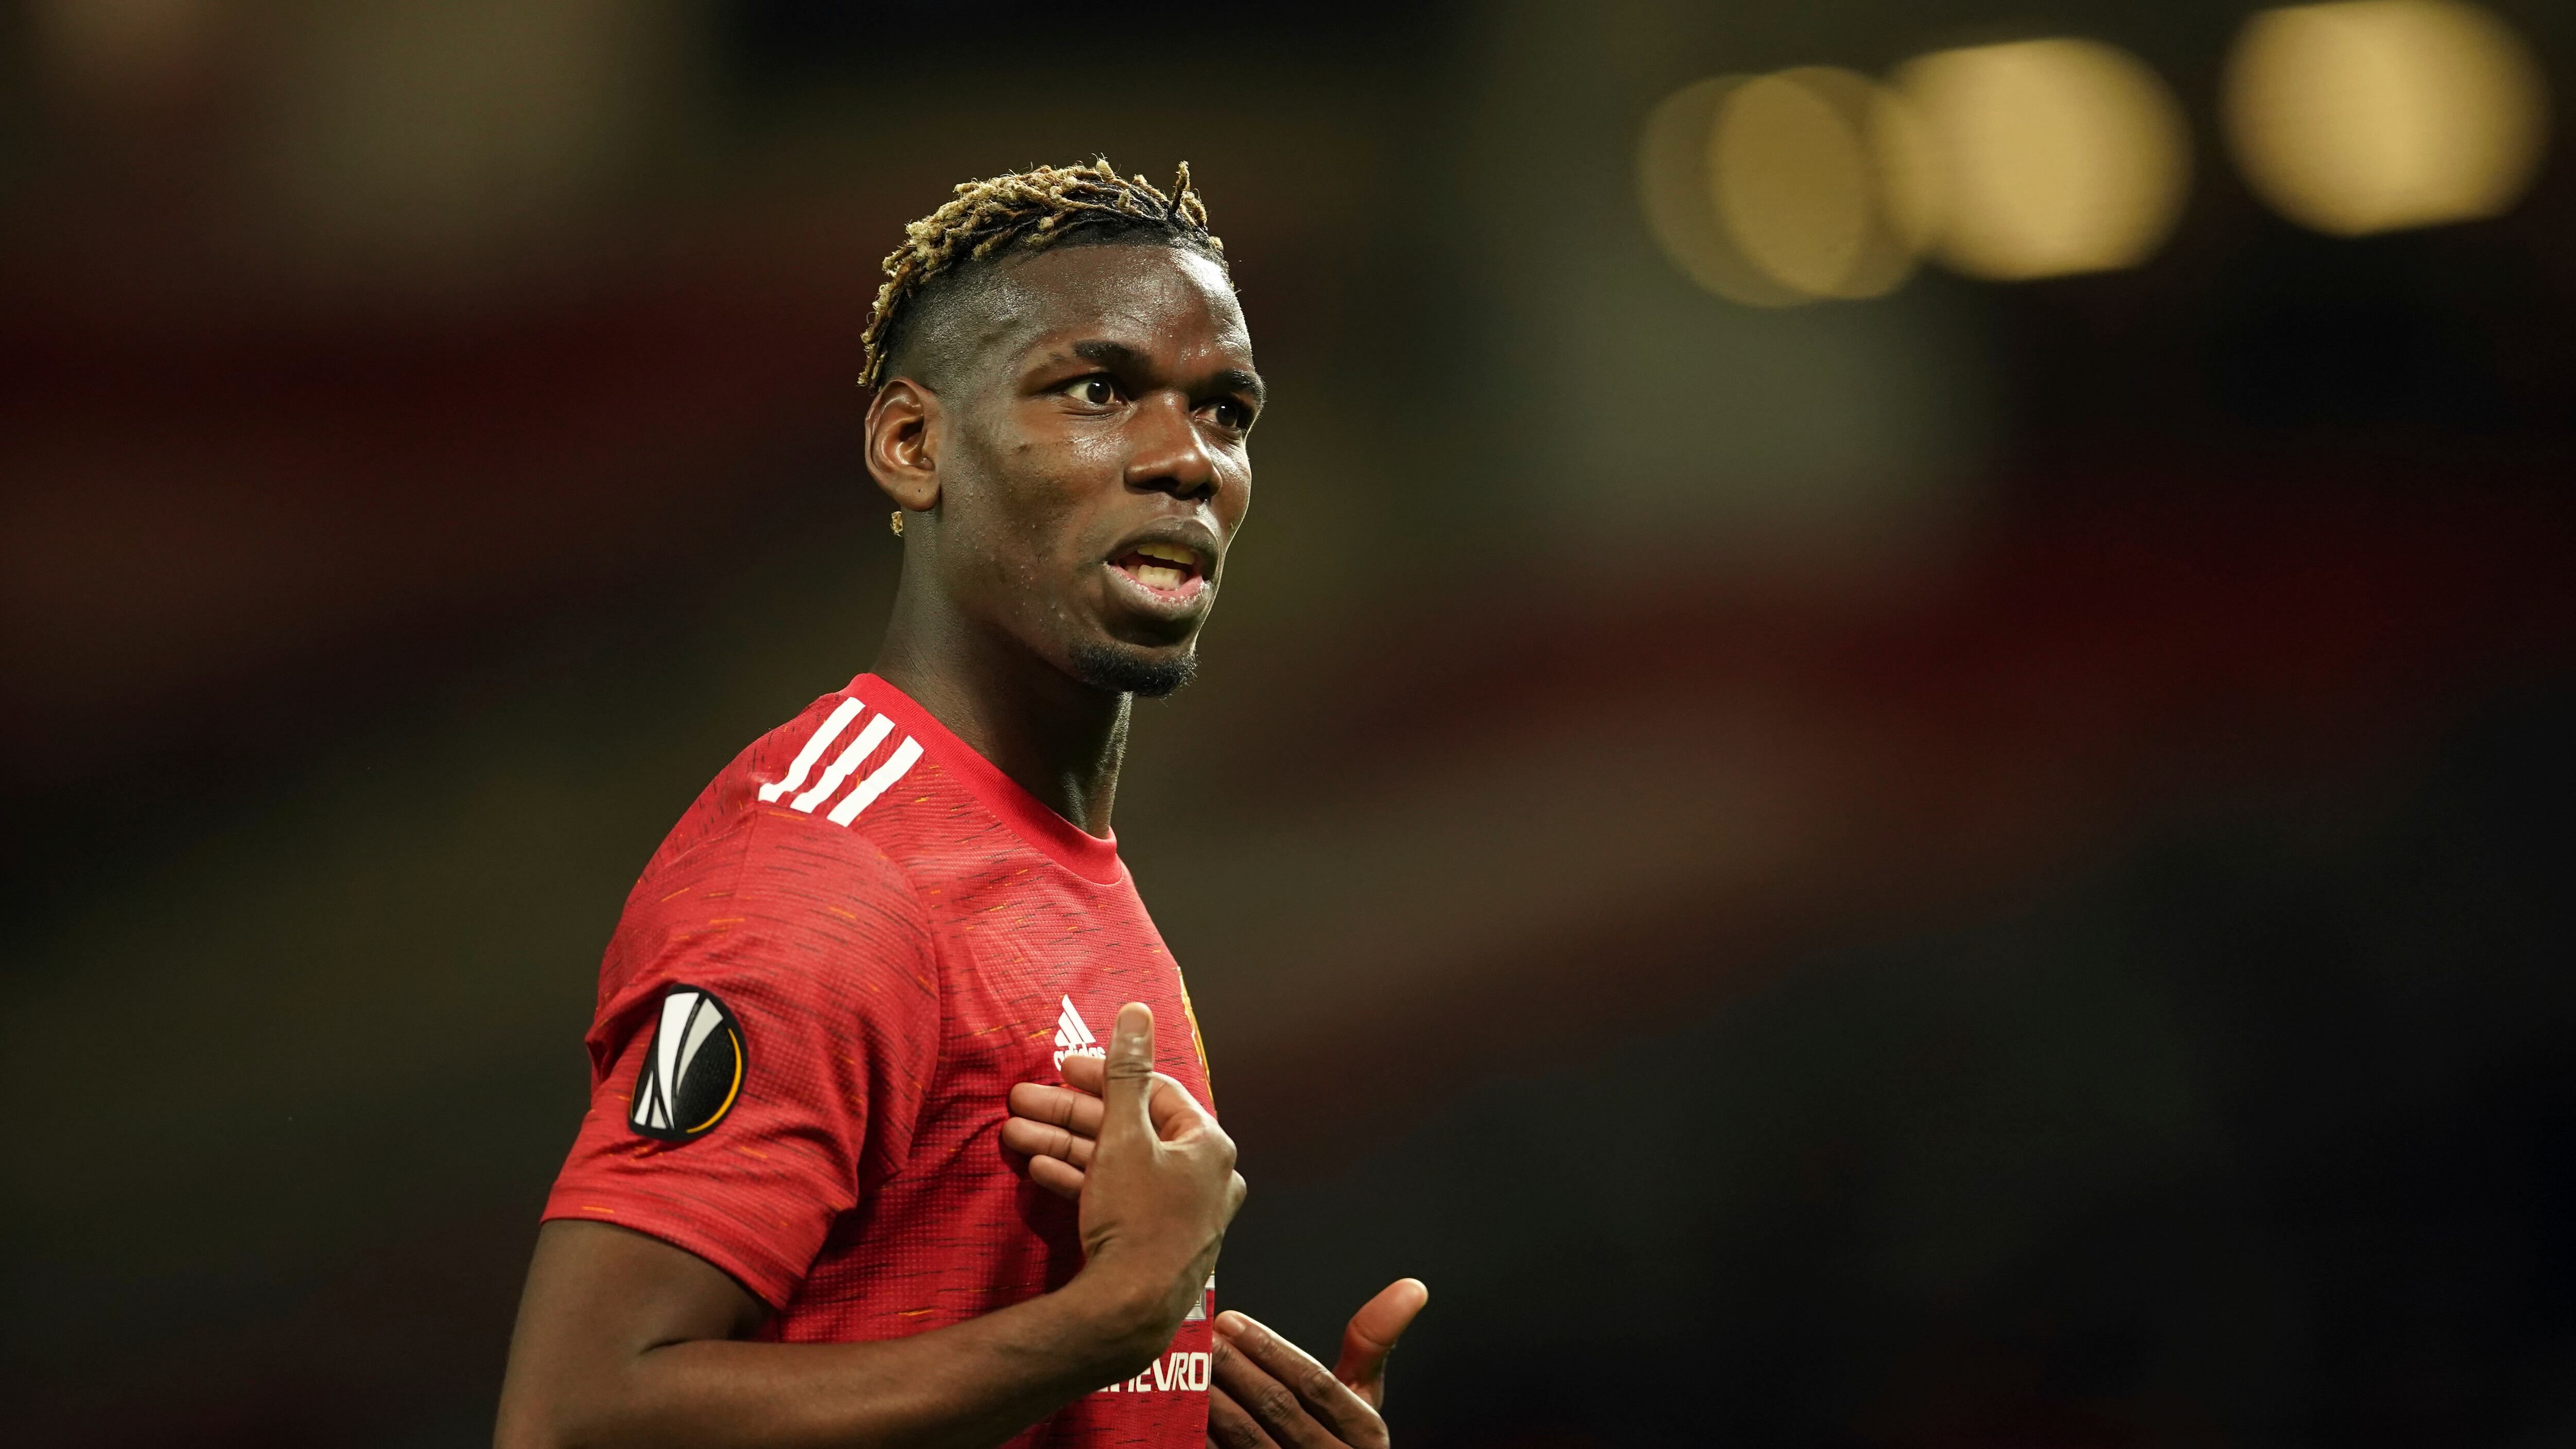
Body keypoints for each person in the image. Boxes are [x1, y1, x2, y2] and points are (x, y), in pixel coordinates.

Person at [494, 159, 1428, 1449]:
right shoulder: (820, 876)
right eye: (1098, 391)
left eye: (1226, 411)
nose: (1186, 460)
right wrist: (1111, 1322)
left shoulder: (1053, 864)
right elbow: (576, 1417)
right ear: (912, 446)